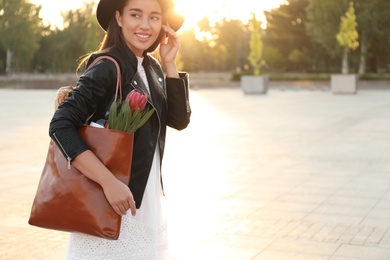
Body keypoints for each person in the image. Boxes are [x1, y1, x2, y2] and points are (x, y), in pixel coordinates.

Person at [49, 0, 191, 258]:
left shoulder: (153, 67)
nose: (145, 25)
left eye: (154, 17)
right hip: (110, 197)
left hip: (144, 196)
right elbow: (61, 125)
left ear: (164, 24)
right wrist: (108, 182)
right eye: (136, 15)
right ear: (119, 17)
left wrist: (170, 63)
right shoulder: (107, 65)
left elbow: (179, 120)